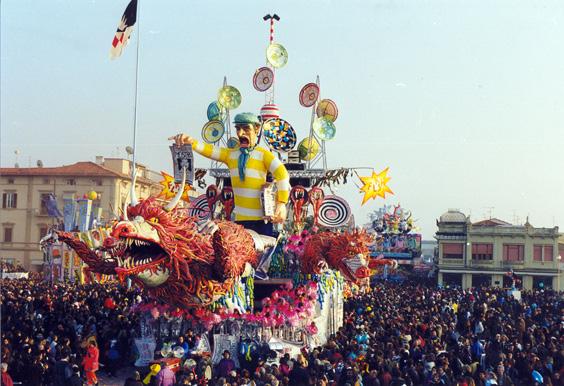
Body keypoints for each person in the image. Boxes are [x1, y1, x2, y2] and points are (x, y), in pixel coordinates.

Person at [170, 112, 290, 236]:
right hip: (239, 222)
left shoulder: (263, 154)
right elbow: (210, 150)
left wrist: (281, 203)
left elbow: (282, 174)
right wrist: (191, 142)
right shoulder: (231, 155)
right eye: (238, 128)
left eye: (246, 128)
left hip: (262, 222)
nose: (240, 133)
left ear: (257, 129)